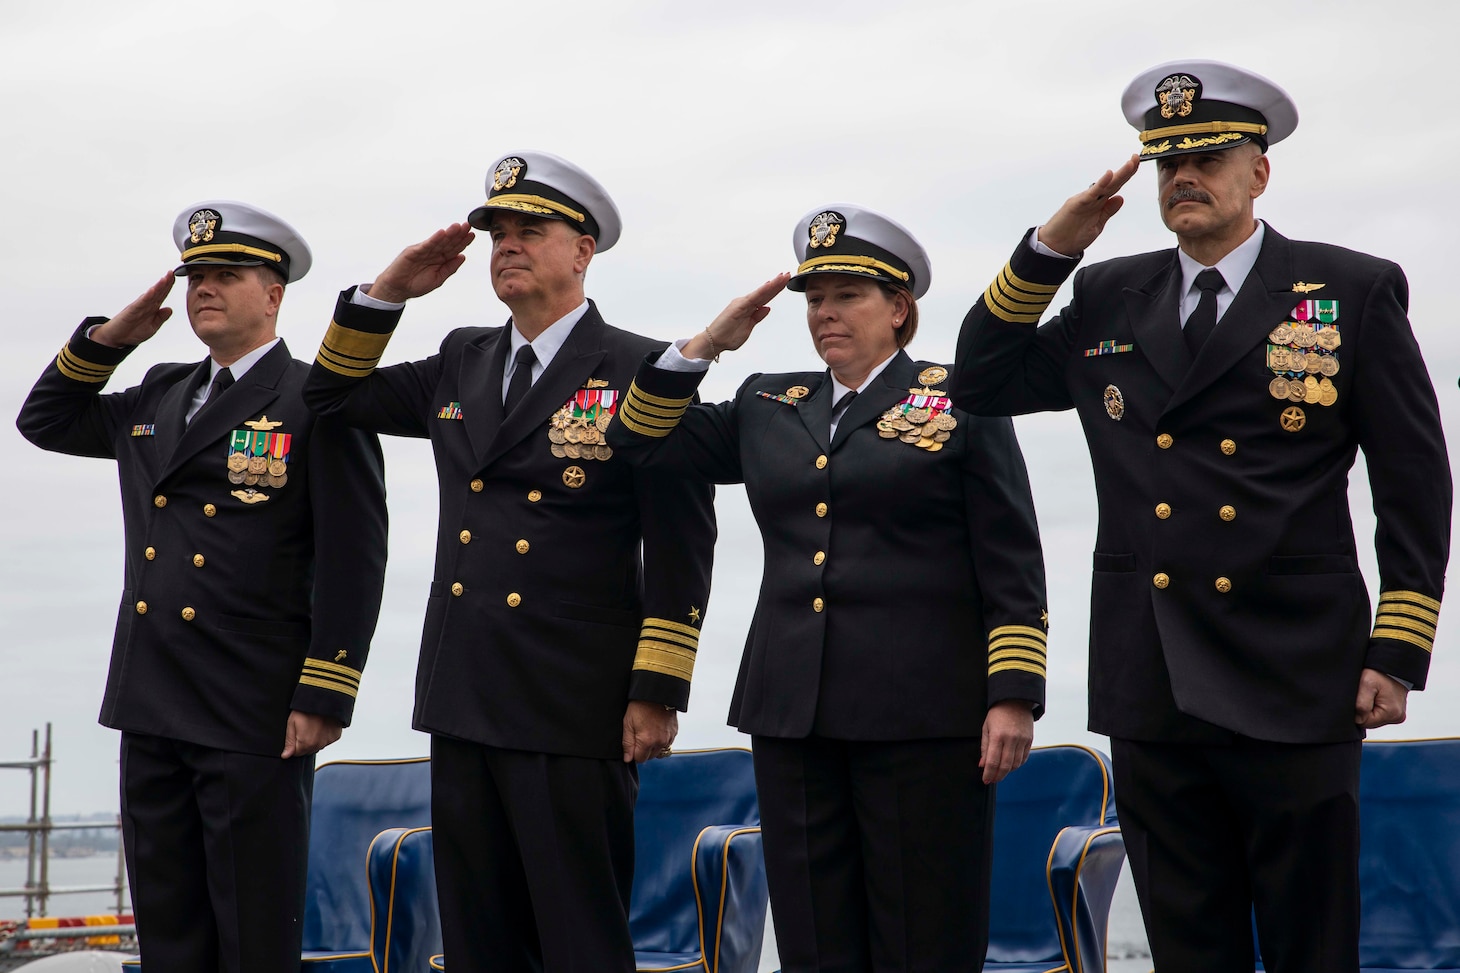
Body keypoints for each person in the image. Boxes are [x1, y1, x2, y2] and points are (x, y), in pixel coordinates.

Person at [953, 60, 1451, 973]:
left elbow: (1414, 478)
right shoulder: (1110, 295)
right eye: (1166, 162)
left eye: (1209, 157)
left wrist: (1398, 645)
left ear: (1258, 172)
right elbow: (980, 381)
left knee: (1312, 941)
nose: (1184, 178)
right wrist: (1048, 251)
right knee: (1189, 946)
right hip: (1157, 674)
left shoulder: (1348, 289)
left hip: (1298, 671)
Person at [301, 151, 716, 973]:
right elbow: (332, 397)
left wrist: (657, 688)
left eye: (533, 231)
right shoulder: (462, 357)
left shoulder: (639, 368)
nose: (509, 246)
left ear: (584, 250)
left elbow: (681, 538)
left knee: (579, 937)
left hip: (575, 697)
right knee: (480, 938)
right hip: (466, 688)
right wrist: (389, 291)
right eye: (498, 233)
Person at [606, 205, 1049, 971]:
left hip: (922, 715)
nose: (826, 313)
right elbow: (638, 439)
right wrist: (708, 345)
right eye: (815, 298)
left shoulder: (960, 399)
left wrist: (1012, 693)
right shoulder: (768, 404)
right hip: (793, 713)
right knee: (814, 938)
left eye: (847, 295)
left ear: (899, 309)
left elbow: (1012, 560)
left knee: (923, 937)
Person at [16, 202, 388, 972]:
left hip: (251, 705)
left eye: (227, 275)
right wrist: (109, 340)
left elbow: (357, 557)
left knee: (251, 932)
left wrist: (326, 692)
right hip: (150, 695)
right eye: (195, 278)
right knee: (170, 932)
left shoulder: (317, 399)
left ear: (275, 294)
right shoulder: (157, 392)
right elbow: (45, 420)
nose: (204, 291)